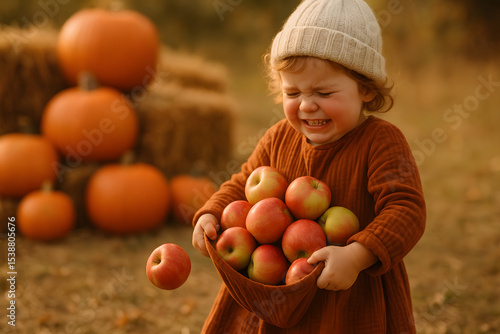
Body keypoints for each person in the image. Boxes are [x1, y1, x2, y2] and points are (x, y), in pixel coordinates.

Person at [192, 0, 426, 332]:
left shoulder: (381, 141)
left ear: (366, 89)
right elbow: (242, 183)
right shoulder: (278, 137)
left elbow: (407, 210)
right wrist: (211, 213)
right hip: (275, 286)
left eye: (324, 92)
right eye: (292, 92)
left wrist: (357, 256)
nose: (306, 105)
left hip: (348, 293)